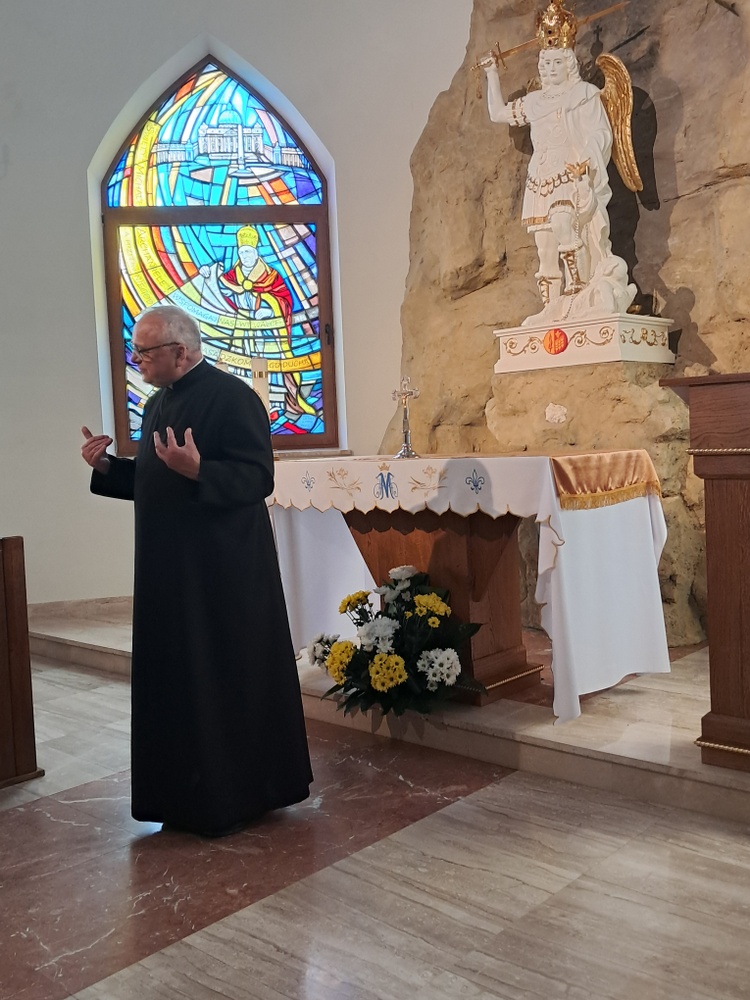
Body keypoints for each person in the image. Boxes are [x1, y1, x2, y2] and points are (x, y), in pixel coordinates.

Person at [81, 304, 312, 837]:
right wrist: (107, 468)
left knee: (222, 677)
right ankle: (181, 796)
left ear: (180, 351)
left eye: (144, 351)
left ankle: (240, 796)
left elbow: (257, 478)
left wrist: (201, 469)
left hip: (222, 573)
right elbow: (157, 479)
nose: (136, 360)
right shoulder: (158, 403)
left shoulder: (233, 398)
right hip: (167, 573)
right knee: (178, 681)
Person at [481, 2, 635, 324]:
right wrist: (491, 73)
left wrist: (587, 160)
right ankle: (550, 309)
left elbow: (601, 133)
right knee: (544, 244)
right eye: (545, 63)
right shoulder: (536, 101)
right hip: (540, 177)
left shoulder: (584, 94)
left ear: (569, 64)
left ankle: (578, 292)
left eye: (556, 63)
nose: (550, 69)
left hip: (569, 173)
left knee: (566, 224)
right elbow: (497, 113)